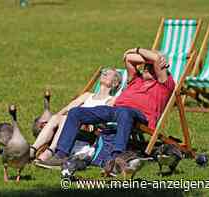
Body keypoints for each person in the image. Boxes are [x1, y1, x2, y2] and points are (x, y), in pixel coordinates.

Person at [38, 47, 175, 169]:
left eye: (149, 66)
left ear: (160, 67)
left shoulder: (164, 84)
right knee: (75, 112)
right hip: (115, 111)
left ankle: (117, 157)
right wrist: (133, 52)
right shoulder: (136, 80)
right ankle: (61, 155)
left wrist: (144, 53)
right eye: (145, 65)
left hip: (140, 116)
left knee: (124, 112)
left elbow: (156, 59)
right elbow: (129, 59)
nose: (145, 67)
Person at [30, 68, 122, 166]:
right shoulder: (87, 96)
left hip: (90, 131)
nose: (104, 73)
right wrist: (52, 120)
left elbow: (105, 116)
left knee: (66, 118)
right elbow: (66, 109)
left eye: (108, 74)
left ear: (115, 83)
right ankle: (32, 149)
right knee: (57, 117)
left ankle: (51, 151)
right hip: (75, 126)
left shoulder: (111, 100)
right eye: (104, 72)